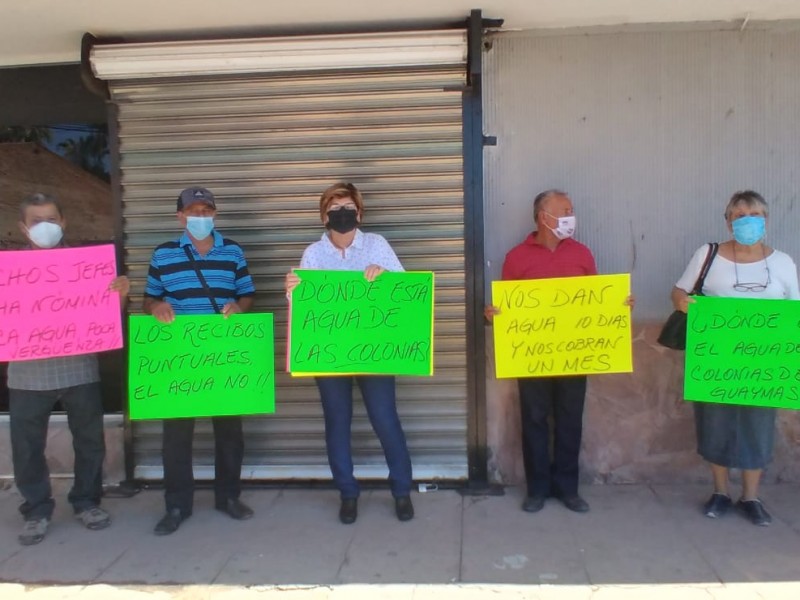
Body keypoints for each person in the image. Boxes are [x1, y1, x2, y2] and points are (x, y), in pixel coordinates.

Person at [486, 189, 632, 515]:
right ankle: (537, 489)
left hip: (573, 354)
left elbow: (595, 300)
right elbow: (507, 307)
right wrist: (494, 314)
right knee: (534, 420)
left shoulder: (582, 253)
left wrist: (617, 306)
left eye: (571, 209)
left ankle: (568, 489)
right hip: (532, 355)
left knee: (569, 420)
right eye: (564, 210)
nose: (570, 216)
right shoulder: (516, 257)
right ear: (543, 216)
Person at [284, 182, 414, 524]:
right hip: (330, 354)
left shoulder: (377, 244)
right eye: (334, 210)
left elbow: (406, 293)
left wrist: (385, 277)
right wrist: (293, 291)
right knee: (337, 422)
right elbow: (303, 310)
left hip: (374, 351)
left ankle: (402, 490)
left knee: (385, 419)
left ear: (360, 213)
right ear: (324, 216)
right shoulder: (313, 253)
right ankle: (348, 492)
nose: (342, 215)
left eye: (348, 209)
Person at [7, 192, 130, 546]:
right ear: (23, 227)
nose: (45, 227)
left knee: (90, 441)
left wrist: (119, 295)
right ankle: (36, 509)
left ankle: (87, 501)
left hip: (79, 371)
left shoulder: (88, 269)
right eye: (36, 221)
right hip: (27, 375)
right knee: (27, 446)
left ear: (63, 223)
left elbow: (108, 320)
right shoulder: (9, 274)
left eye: (51, 220)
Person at [671, 190, 799, 527]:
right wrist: (683, 303)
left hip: (763, 362)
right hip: (716, 360)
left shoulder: (783, 262)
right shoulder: (708, 254)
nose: (747, 221)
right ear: (728, 221)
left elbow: (793, 312)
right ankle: (719, 492)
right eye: (739, 215)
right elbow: (680, 291)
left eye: (754, 214)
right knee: (715, 422)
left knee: (758, 426)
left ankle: (751, 497)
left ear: (766, 221)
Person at [144, 186, 256, 535]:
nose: (201, 217)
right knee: (176, 437)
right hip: (180, 358)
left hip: (223, 355)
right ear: (180, 216)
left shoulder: (233, 251)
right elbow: (149, 298)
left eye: (207, 211)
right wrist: (156, 307)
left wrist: (239, 307)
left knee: (230, 433)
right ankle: (177, 505)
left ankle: (228, 497)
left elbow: (247, 294)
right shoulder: (163, 254)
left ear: (215, 214)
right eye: (194, 211)